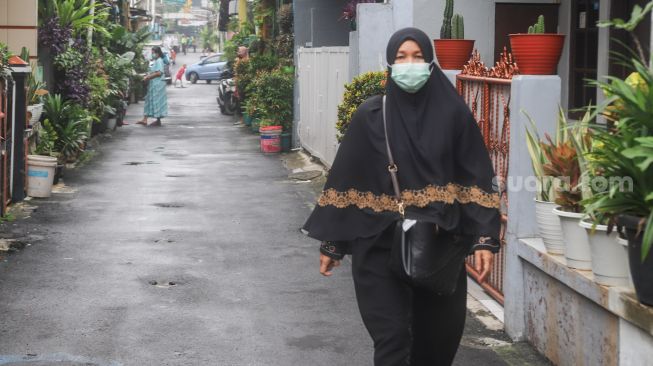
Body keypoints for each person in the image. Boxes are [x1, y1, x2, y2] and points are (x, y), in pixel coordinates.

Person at [302, 28, 501, 366]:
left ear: (430, 63)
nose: (410, 64)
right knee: (392, 340)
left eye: (418, 57)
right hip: (377, 245)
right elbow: (347, 177)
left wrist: (484, 237)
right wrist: (333, 243)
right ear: (390, 64)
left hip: (437, 247)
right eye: (401, 57)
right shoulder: (371, 116)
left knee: (435, 346)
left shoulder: (453, 115)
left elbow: (475, 176)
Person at [136, 46, 168, 127]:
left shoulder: (159, 61)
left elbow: (159, 73)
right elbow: (154, 71)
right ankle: (145, 119)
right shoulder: (156, 61)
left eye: (153, 53)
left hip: (158, 85)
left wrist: (148, 77)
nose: (152, 54)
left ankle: (157, 120)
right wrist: (148, 75)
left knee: (156, 101)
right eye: (152, 53)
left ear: (158, 53)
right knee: (149, 100)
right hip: (153, 84)